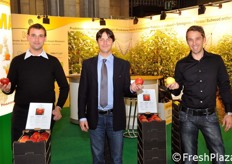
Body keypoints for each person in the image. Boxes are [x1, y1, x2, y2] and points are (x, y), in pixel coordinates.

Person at [167, 25, 232, 163]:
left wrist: (229, 112)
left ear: (204, 39)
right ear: (187, 42)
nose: (194, 43)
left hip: (210, 116)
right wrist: (174, 87)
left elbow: (225, 86)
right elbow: (177, 91)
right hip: (187, 117)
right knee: (189, 159)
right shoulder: (181, 64)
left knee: (219, 157)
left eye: (197, 39)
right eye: (190, 40)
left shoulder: (216, 61)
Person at [78, 28, 141, 164]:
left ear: (113, 41)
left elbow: (125, 90)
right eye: (101, 39)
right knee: (97, 157)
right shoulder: (88, 65)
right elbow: (83, 92)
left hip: (115, 116)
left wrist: (132, 88)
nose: (105, 42)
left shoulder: (123, 65)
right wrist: (82, 116)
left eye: (108, 39)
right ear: (97, 42)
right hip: (95, 117)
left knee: (117, 157)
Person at [0, 23, 69, 144]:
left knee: (41, 151)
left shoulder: (53, 62)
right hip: (21, 113)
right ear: (27, 37)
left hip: (44, 114)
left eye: (40, 36)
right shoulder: (17, 61)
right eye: (33, 35)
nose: (37, 39)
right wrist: (5, 89)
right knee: (19, 151)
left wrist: (58, 107)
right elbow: (10, 88)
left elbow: (64, 87)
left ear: (45, 38)